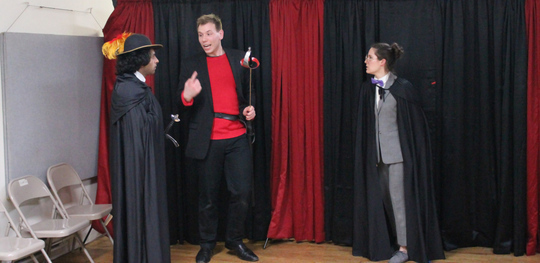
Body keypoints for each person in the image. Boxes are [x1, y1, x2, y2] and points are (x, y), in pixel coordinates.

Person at [352, 42, 445, 263]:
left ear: (382, 62)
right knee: (385, 201)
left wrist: (413, 158)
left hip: (398, 157)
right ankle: (395, 242)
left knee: (399, 202)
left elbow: (415, 128)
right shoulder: (368, 88)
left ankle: (405, 248)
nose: (366, 61)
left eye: (370, 57)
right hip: (377, 157)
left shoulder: (403, 88)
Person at [177, 14, 258, 263]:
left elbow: (245, 96)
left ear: (220, 34)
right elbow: (182, 107)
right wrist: (187, 95)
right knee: (208, 197)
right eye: (201, 35)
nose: (204, 39)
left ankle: (234, 240)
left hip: (237, 137)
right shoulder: (192, 63)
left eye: (209, 33)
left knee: (241, 192)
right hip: (207, 140)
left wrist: (249, 109)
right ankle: (207, 244)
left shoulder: (237, 59)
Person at [105, 33, 171, 263]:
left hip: (144, 167)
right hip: (139, 173)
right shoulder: (128, 92)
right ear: (141, 60)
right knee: (141, 212)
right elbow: (136, 138)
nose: (157, 61)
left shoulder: (134, 88)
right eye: (153, 57)